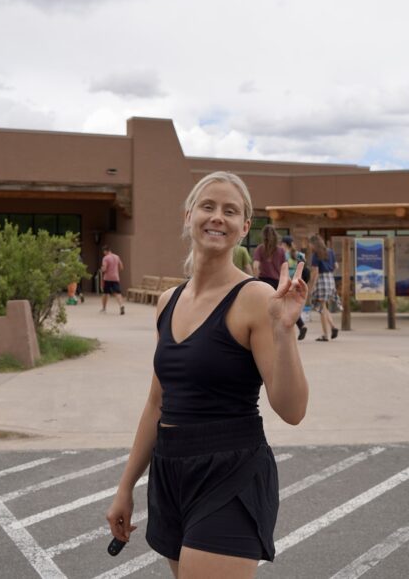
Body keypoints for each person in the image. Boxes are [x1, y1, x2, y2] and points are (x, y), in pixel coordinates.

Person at [105, 171, 309, 578]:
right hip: (171, 469)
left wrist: (285, 332)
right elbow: (156, 403)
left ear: (244, 227)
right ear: (188, 216)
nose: (218, 217)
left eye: (230, 211)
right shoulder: (168, 302)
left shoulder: (256, 298)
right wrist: (125, 487)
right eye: (208, 206)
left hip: (230, 470)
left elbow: (292, 409)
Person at [307, 234, 340, 341]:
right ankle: (333, 327)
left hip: (321, 281)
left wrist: (311, 287)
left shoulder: (316, 255)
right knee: (324, 307)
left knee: (321, 309)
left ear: (314, 244)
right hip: (330, 279)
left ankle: (326, 335)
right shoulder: (330, 251)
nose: (310, 246)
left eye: (310, 244)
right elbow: (336, 266)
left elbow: (315, 272)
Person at [281, 235, 309, 340]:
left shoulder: (284, 255)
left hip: (289, 283)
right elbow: (304, 265)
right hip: (299, 282)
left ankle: (298, 327)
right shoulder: (299, 254)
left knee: (287, 307)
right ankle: (301, 326)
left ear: (284, 244)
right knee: (293, 306)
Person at [100, 245, 126, 315]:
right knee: (118, 293)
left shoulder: (105, 258)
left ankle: (104, 308)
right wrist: (115, 271)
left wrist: (102, 269)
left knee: (105, 293)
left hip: (107, 278)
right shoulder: (117, 257)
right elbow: (121, 267)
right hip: (115, 278)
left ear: (105, 251)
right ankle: (121, 305)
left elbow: (104, 268)